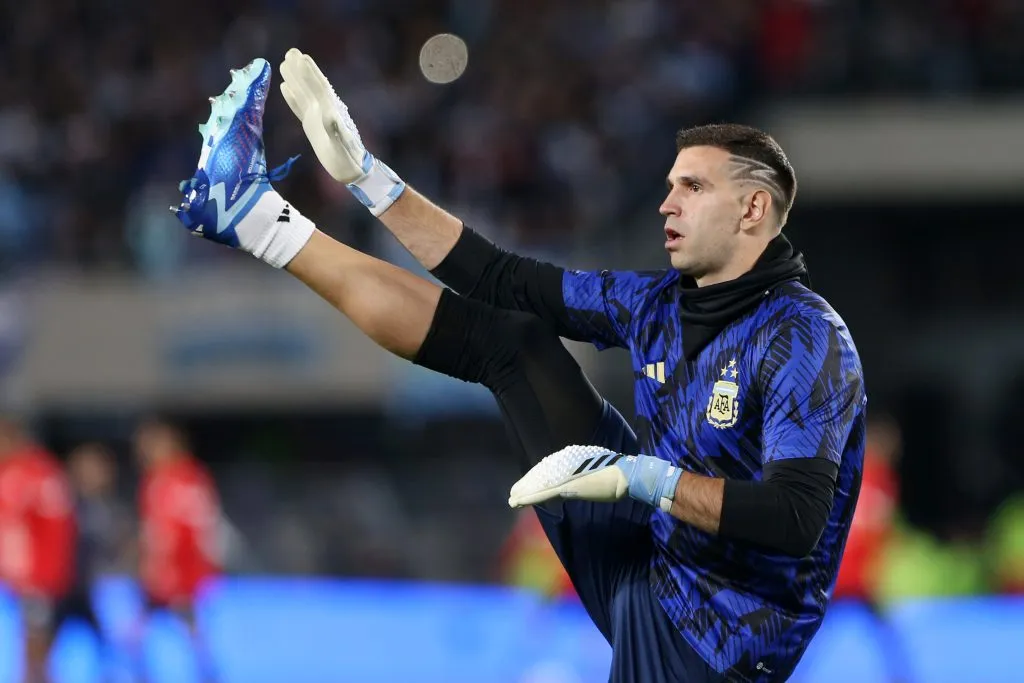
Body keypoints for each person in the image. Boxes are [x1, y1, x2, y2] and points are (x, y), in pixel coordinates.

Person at [171, 54, 866, 682]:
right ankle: (255, 215)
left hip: (713, 646)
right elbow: (500, 277)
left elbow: (792, 518)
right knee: (512, 341)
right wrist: (367, 178)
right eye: (668, 184)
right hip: (656, 559)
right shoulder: (658, 303)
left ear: (753, 208)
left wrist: (641, 477)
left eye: (692, 186)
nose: (666, 203)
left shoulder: (806, 339)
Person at [133, 418, 221, 682]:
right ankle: (141, 671)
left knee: (187, 625)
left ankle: (206, 672)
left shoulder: (187, 479)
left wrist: (181, 568)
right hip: (161, 570)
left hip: (181, 570)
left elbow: (195, 527)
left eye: (152, 445)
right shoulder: (154, 479)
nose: (146, 452)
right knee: (141, 628)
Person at [0, 418, 75, 683]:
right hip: (9, 581)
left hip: (35, 579)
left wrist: (46, 577)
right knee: (17, 648)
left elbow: (58, 530)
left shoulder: (40, 472)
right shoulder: (7, 472)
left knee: (36, 646)